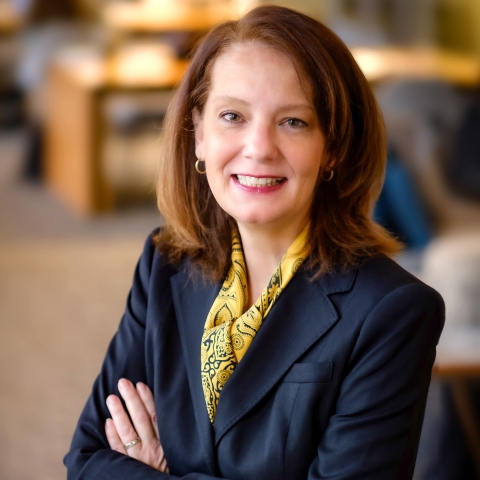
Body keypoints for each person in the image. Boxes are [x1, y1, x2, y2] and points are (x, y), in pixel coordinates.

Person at [64, 6, 445, 479]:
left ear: (333, 148)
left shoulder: (392, 311)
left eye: (293, 122)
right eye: (232, 116)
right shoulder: (164, 263)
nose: (259, 147)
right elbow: (86, 461)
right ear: (199, 134)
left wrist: (163, 468)